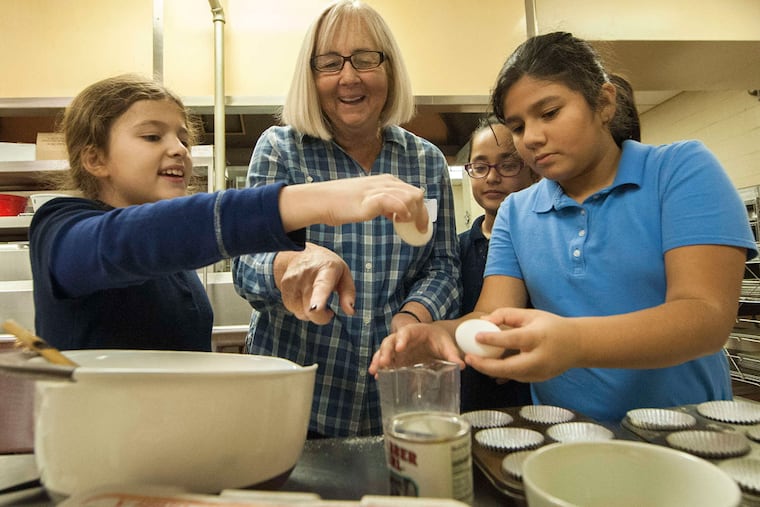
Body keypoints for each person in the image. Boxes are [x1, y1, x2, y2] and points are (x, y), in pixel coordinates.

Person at [370, 31, 757, 423]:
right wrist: (443, 333)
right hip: (566, 435)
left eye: (550, 113)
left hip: (687, 429)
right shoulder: (517, 212)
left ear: (604, 102)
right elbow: (492, 316)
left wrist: (575, 343)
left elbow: (705, 315)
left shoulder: (678, 171)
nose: (533, 138)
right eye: (518, 127)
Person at [29, 74, 432, 352]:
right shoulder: (60, 228)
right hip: (95, 466)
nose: (179, 149)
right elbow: (130, 242)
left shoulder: (177, 269)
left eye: (183, 138)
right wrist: (314, 201)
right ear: (95, 158)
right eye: (153, 136)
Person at [232, 0, 460, 438]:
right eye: (329, 63)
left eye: (366, 58)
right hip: (299, 404)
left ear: (389, 70)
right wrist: (292, 263)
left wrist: (412, 318)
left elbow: (442, 264)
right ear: (310, 76)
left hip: (392, 397)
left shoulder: (425, 162)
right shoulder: (282, 149)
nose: (349, 77)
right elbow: (247, 264)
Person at [458, 116, 536, 411]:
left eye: (508, 165)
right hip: (471, 397)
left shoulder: (544, 243)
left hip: (533, 394)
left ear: (533, 170)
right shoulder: (456, 249)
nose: (492, 177)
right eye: (480, 167)